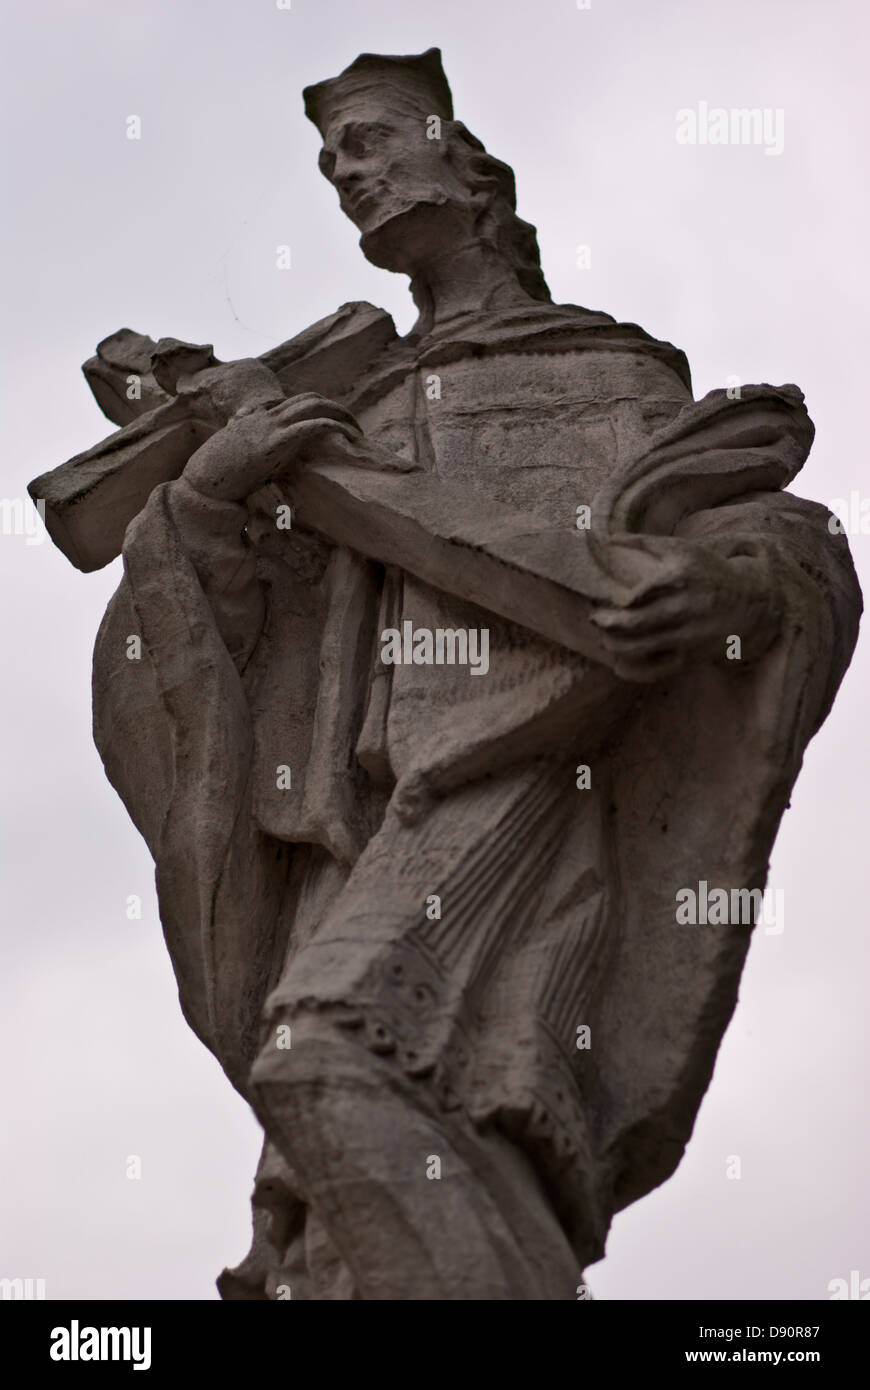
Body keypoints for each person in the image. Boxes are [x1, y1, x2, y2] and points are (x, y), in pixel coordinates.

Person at [92, 49, 860, 1298]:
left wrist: (721, 590)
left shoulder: (610, 371)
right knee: (323, 1232)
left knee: (331, 1062)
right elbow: (234, 635)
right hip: (351, 822)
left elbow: (782, 536)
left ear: (466, 158)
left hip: (524, 787)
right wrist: (208, 499)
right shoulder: (344, 401)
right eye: (331, 157)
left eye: (374, 138)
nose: (348, 171)